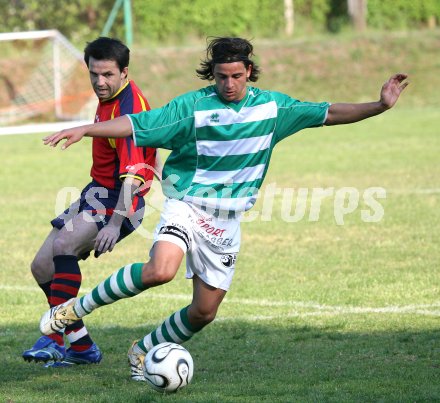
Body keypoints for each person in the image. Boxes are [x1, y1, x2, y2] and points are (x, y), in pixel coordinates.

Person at [39, 37, 408, 380]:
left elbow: (327, 112)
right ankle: (74, 309)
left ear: (248, 71)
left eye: (235, 76)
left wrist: (379, 105)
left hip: (227, 220)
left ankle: (144, 350)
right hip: (187, 203)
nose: (228, 84)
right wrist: (87, 129)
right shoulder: (193, 108)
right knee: (160, 270)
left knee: (203, 312)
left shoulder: (273, 108)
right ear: (211, 75)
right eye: (220, 77)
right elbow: (137, 124)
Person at [23, 37, 159, 367]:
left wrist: (115, 223)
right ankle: (82, 348)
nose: (100, 82)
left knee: (66, 244)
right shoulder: (109, 96)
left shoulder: (129, 109)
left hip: (121, 197)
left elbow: (134, 173)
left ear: (124, 73)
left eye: (108, 75)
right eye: (94, 74)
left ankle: (54, 336)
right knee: (41, 266)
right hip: (96, 191)